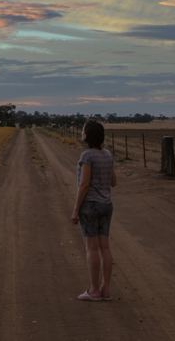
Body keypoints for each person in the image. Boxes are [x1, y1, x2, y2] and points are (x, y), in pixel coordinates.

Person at [70, 119, 117, 301]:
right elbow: (113, 181)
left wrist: (76, 210)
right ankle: (105, 289)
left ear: (88, 135)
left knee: (91, 248)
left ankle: (94, 290)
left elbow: (84, 185)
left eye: (83, 131)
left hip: (90, 205)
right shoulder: (108, 155)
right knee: (105, 247)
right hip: (107, 205)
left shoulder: (87, 156)